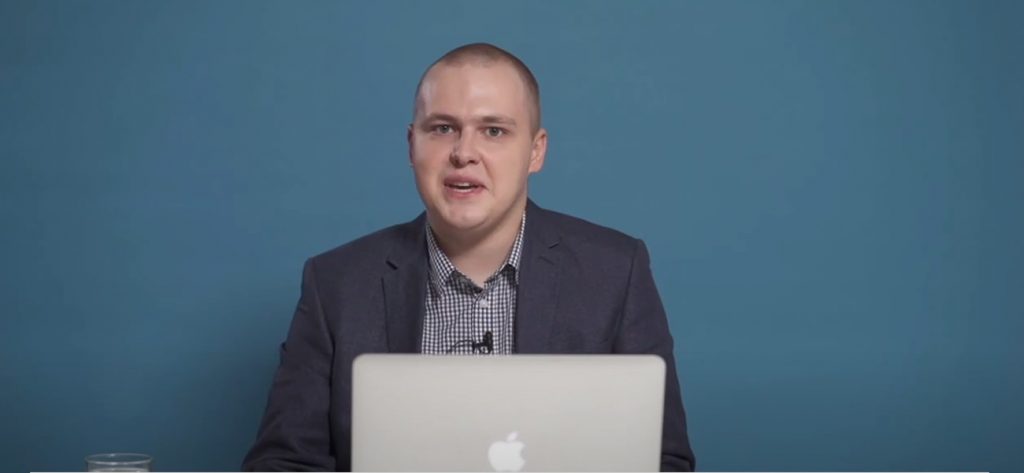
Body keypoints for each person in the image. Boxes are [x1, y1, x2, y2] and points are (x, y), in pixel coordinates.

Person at [242, 42, 696, 472]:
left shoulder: (617, 272)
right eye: (442, 128)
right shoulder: (335, 284)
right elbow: (283, 464)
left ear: (536, 151)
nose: (463, 153)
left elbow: (663, 462)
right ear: (412, 145)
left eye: (494, 131)